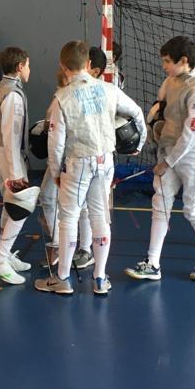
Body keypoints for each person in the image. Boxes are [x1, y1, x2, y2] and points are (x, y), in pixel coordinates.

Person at [36, 41, 145, 296]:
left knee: (68, 218)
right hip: (105, 160)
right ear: (88, 64)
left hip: (77, 163)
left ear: (63, 65)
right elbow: (137, 113)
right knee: (99, 217)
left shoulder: (62, 98)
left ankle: (62, 278)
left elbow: (55, 142)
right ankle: (100, 278)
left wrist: (55, 172)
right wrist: (138, 145)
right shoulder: (109, 89)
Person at [125, 36, 195, 282]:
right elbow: (160, 109)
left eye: (168, 61)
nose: (164, 66)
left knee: (193, 210)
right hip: (166, 152)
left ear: (183, 60)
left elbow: (192, 133)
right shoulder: (170, 81)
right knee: (160, 206)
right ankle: (152, 263)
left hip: (190, 157)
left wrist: (167, 162)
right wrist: (154, 130)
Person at [0, 47, 35, 284]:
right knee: (22, 206)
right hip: (10, 156)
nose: (29, 69)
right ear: (20, 66)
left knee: (10, 206)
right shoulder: (12, 94)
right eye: (28, 65)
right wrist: (15, 174)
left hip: (1, 152)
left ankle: (6, 254)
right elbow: (11, 135)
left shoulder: (1, 87)